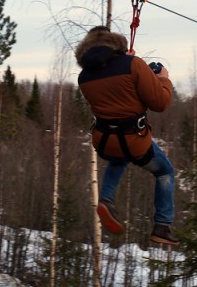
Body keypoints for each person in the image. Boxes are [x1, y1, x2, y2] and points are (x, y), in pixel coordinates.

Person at [75, 26, 179, 245]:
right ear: (114, 42)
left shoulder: (84, 76)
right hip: (134, 140)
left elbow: (113, 86)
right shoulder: (133, 65)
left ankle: (106, 199)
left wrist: (128, 63)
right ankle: (162, 226)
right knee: (165, 172)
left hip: (105, 140)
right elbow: (160, 103)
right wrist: (163, 79)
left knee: (117, 158)